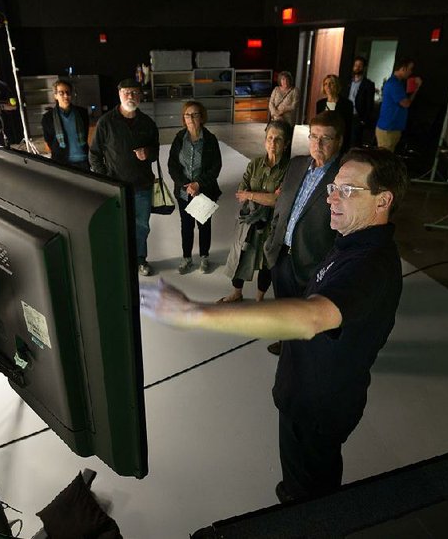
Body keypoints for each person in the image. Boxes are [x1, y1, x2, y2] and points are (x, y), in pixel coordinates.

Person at [140, 147, 409, 504]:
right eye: (333, 188)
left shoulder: (370, 266)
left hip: (318, 407)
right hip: (304, 391)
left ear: (383, 200)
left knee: (309, 495)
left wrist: (195, 314)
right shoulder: (349, 242)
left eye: (346, 191)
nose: (331, 199)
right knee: (305, 482)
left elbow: (312, 317)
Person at [262, 111, 345, 356]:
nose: (317, 144)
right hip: (281, 253)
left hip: (313, 259)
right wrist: (272, 240)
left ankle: (307, 353)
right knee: (284, 304)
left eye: (326, 139)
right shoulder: (297, 163)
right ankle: (287, 343)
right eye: (313, 137)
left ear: (338, 141)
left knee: (310, 313)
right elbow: (281, 205)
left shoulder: (342, 176)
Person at [89, 78, 159, 276]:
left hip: (142, 186)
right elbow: (94, 154)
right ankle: (121, 261)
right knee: (116, 226)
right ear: (119, 95)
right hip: (115, 187)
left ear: (141, 96)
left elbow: (155, 151)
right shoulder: (106, 122)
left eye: (135, 92)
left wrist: (148, 153)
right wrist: (105, 179)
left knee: (142, 226)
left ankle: (139, 260)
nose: (131, 96)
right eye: (126, 92)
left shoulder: (147, 123)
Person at [219, 121, 290, 303]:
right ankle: (237, 292)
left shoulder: (289, 170)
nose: (272, 144)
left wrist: (251, 194)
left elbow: (277, 201)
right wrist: (260, 197)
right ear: (265, 140)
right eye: (269, 138)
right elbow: (240, 193)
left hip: (272, 226)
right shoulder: (254, 164)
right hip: (249, 221)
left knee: (266, 263)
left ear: (286, 143)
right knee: (241, 255)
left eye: (278, 139)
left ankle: (259, 298)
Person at [167, 101, 222, 275]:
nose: (190, 118)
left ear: (202, 117)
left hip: (203, 191)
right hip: (184, 192)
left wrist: (198, 184)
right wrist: (186, 184)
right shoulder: (179, 138)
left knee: (204, 225)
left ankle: (205, 257)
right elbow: (172, 165)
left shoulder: (210, 139)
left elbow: (216, 166)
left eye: (195, 114)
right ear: (184, 118)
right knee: (187, 225)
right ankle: (187, 258)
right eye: (187, 115)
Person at [375, 58, 423, 152]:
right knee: (385, 159)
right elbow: (406, 103)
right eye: (410, 69)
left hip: (391, 127)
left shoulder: (397, 83)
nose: (411, 72)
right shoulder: (394, 84)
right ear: (403, 68)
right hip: (389, 129)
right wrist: (417, 88)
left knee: (387, 157)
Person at [41, 79, 90, 170]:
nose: (66, 95)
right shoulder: (48, 118)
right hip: (62, 162)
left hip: (83, 159)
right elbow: (49, 140)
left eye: (68, 92)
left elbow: (86, 134)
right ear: (55, 96)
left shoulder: (82, 113)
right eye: (61, 93)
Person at [316, 75, 354, 154]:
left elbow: (348, 126)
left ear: (336, 85)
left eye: (331, 83)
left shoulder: (347, 104)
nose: (328, 86)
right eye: (325, 84)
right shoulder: (320, 104)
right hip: (323, 139)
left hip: (338, 140)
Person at [345, 56, 377, 148]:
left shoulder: (368, 84)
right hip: (346, 115)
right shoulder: (348, 81)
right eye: (356, 65)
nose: (357, 67)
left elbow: (369, 104)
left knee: (355, 142)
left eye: (360, 65)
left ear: (363, 67)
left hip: (357, 116)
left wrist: (364, 120)